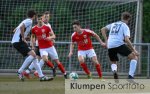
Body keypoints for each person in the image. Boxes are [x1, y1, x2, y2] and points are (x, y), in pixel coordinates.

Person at [11, 10, 53, 81]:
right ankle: (20, 71)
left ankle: (41, 76)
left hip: (16, 41)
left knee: (35, 58)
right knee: (33, 54)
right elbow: (21, 28)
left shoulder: (25, 20)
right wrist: (23, 38)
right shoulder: (29, 21)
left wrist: (24, 36)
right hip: (19, 41)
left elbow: (15, 30)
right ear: (34, 16)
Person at [100, 12, 139, 80]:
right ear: (128, 19)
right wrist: (134, 50)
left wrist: (106, 41)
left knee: (113, 61)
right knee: (134, 57)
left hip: (110, 44)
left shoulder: (113, 24)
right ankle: (130, 76)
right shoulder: (125, 26)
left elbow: (102, 29)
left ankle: (114, 71)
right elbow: (126, 39)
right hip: (119, 44)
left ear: (122, 17)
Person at [30, 14, 67, 79]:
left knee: (57, 61)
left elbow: (54, 36)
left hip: (50, 47)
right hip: (42, 48)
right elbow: (32, 37)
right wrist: (32, 45)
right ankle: (53, 67)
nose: (40, 20)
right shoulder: (34, 28)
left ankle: (65, 73)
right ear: (36, 20)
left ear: (42, 19)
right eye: (38, 19)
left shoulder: (47, 27)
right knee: (45, 59)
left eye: (41, 19)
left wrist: (49, 38)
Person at [23, 11, 56, 79]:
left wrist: (52, 39)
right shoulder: (38, 26)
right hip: (40, 45)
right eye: (45, 17)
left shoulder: (48, 25)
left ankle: (28, 72)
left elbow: (50, 34)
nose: (46, 18)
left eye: (47, 17)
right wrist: (33, 44)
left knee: (37, 58)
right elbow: (34, 35)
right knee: (40, 58)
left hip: (43, 45)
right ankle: (32, 72)